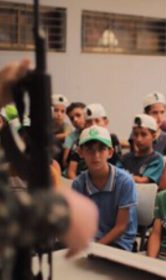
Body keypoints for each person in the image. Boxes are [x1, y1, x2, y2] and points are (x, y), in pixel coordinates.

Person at [0, 59, 97, 257]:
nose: (26, 147)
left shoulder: (47, 173)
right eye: (21, 139)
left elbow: (72, 223)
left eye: (31, 141)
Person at [73, 125, 137, 251]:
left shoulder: (125, 182)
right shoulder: (78, 184)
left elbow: (121, 227)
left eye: (101, 149)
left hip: (119, 243)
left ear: (110, 152)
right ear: (81, 152)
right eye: (90, 149)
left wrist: (95, 248)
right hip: (90, 242)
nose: (95, 155)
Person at [66, 103, 122, 178]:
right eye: (89, 122)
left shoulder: (112, 139)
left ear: (106, 122)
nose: (93, 125)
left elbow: (118, 167)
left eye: (97, 121)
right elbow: (71, 172)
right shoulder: (78, 141)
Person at [122, 114, 164, 184]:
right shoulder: (125, 158)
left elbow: (143, 181)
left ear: (153, 137)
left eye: (143, 135)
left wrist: (122, 176)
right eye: (135, 134)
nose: (139, 139)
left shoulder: (156, 159)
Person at [62, 102, 86, 168]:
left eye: (78, 115)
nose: (75, 120)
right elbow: (65, 162)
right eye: (72, 118)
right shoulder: (70, 138)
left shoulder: (99, 133)